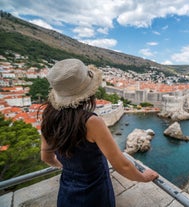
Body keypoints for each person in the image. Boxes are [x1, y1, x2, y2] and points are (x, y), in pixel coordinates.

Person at [40, 59, 158, 207]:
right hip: (95, 193)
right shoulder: (91, 122)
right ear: (88, 92)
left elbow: (46, 157)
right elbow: (122, 165)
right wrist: (143, 177)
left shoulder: (48, 116)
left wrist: (70, 169)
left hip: (66, 192)